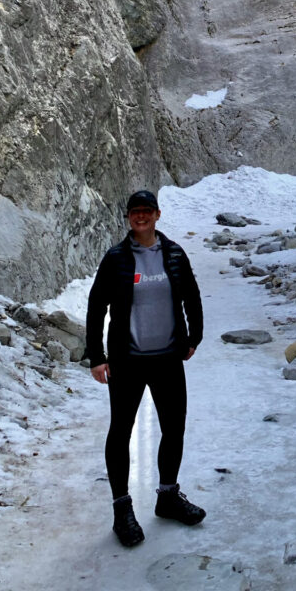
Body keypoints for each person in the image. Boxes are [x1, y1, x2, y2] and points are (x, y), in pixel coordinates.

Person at [85, 189, 205, 547]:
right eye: (135, 212)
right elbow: (95, 308)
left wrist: (193, 336)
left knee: (174, 428)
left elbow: (191, 295)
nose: (141, 217)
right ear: (128, 217)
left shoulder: (173, 253)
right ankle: (122, 510)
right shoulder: (117, 258)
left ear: (157, 214)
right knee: (120, 432)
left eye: (147, 211)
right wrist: (97, 356)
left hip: (168, 358)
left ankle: (168, 497)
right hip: (127, 361)